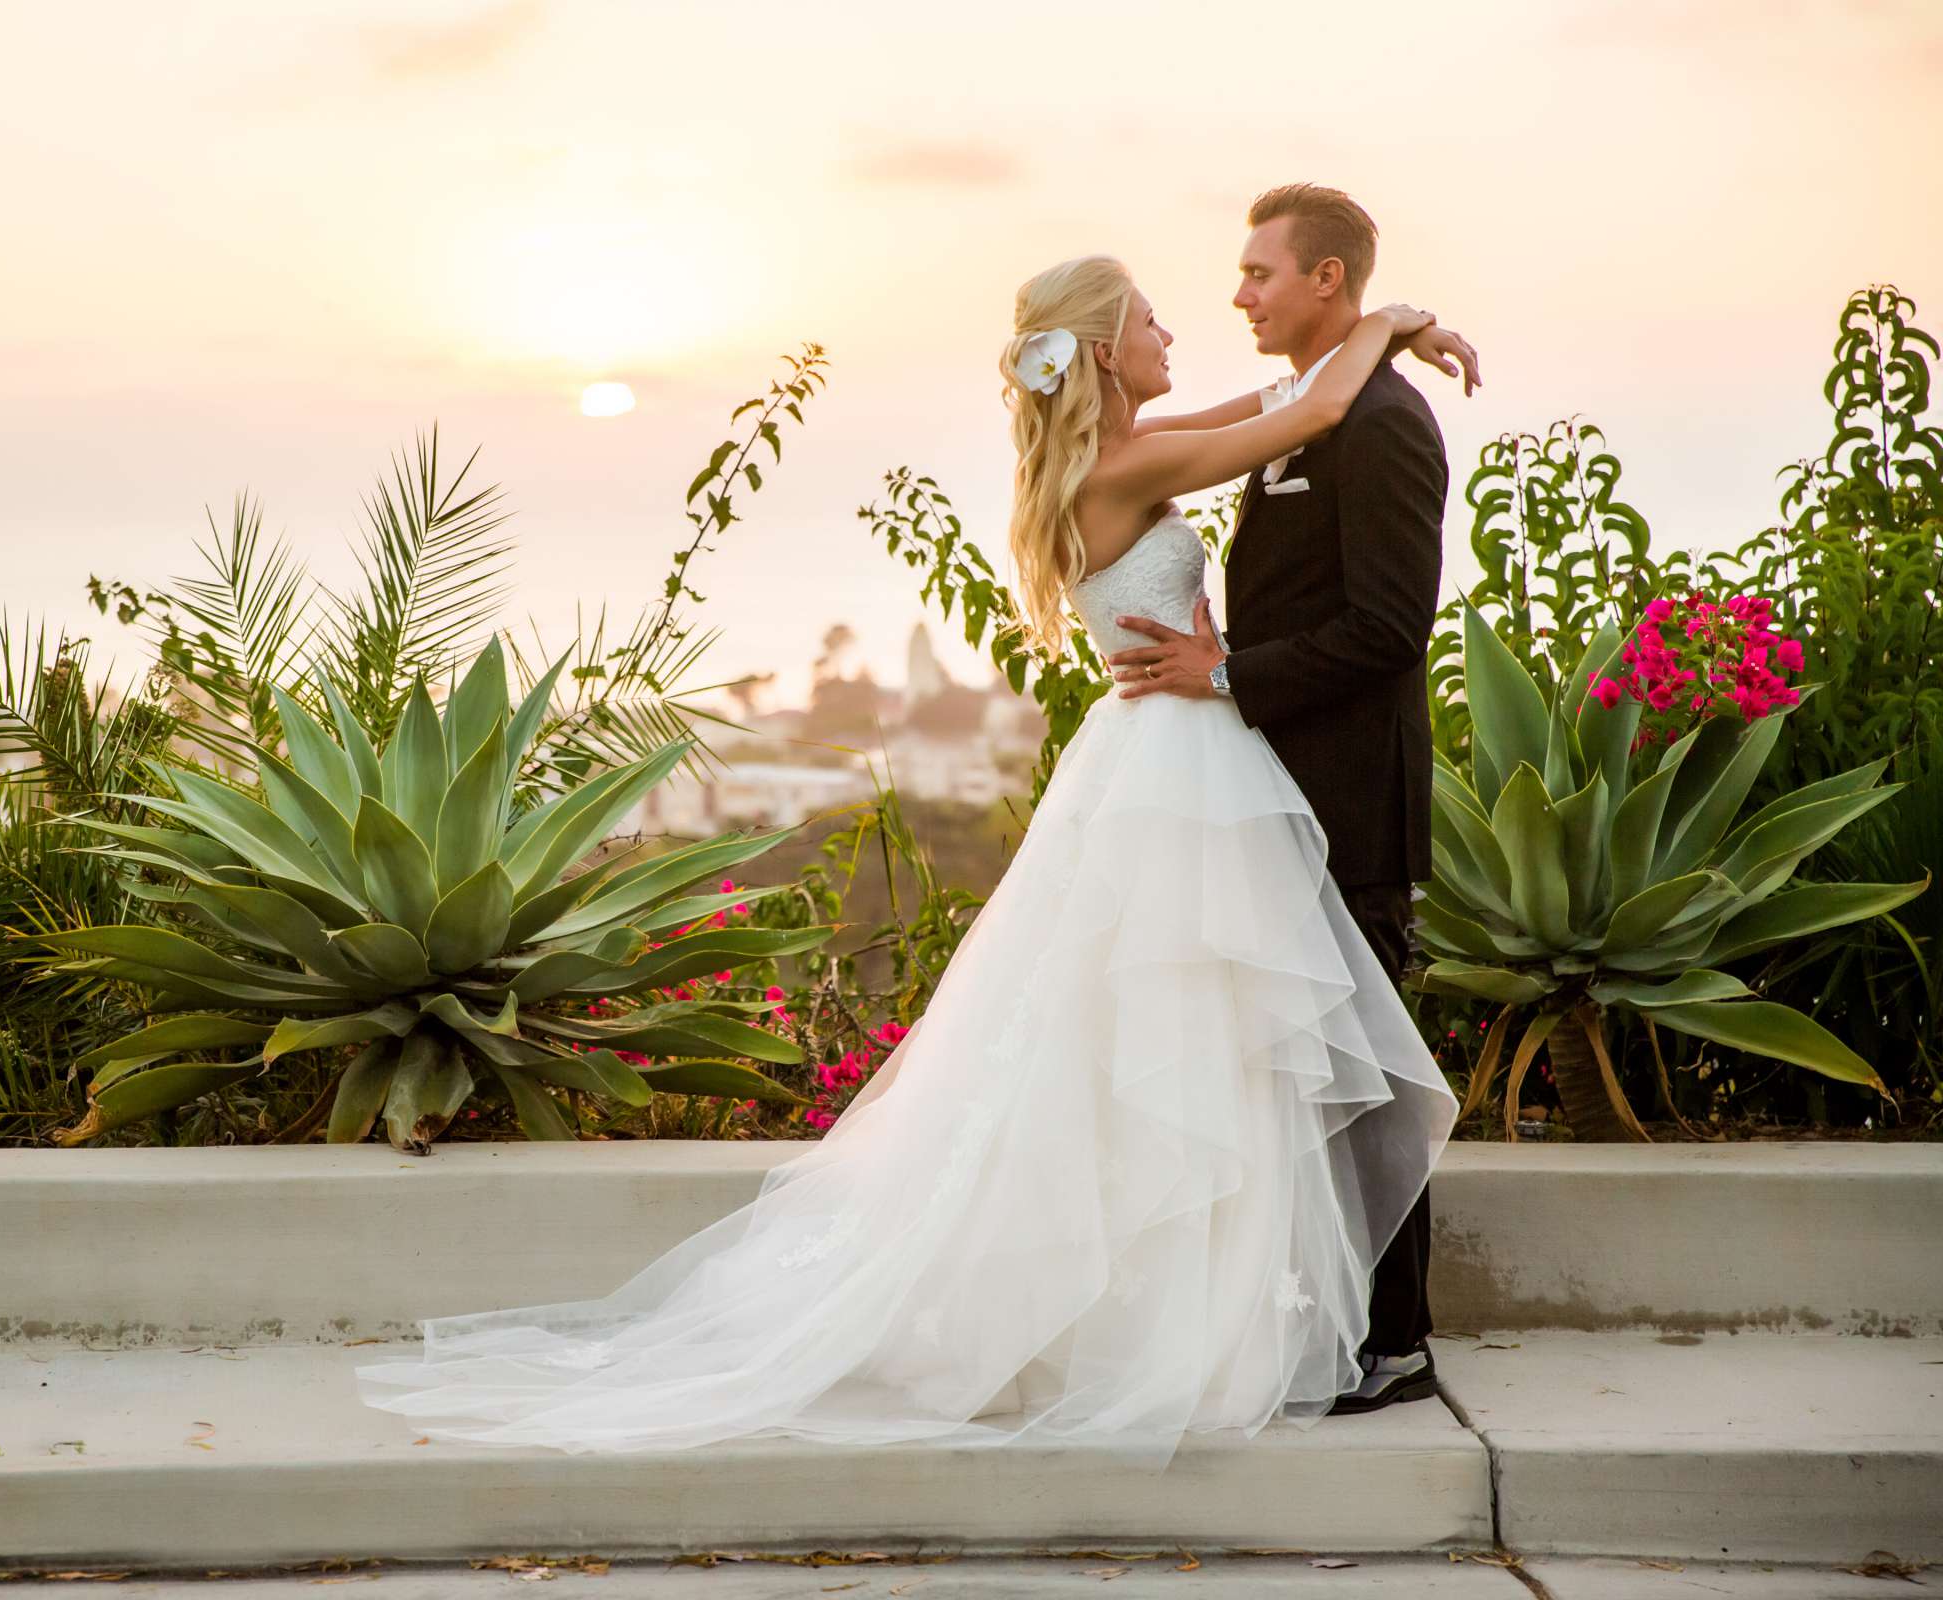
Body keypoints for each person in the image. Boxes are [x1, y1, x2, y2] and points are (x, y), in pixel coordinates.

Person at [354, 240, 1469, 1461]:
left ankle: (1204, 1302)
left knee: (1140, 1038)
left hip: (1164, 760)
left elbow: (1272, 404)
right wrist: (1393, 319)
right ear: (1104, 349)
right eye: (1151, 319)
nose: (1175, 330)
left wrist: (1379, 335)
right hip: (1178, 761)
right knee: (1170, 1033)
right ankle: (1205, 1312)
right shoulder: (1130, 462)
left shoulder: (1118, 453)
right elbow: (1305, 406)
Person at [1107, 183, 1471, 1412]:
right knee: (1304, 1072)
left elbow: (1386, 629)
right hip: (1266, 801)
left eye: (1260, 272)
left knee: (1363, 1077)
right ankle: (1324, 1317)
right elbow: (1284, 417)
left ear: (1328, 280)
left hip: (1350, 803)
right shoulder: (1302, 411)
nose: (1238, 293)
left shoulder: (1380, 426)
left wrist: (1228, 671)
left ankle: (1398, 1342)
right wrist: (1400, 318)